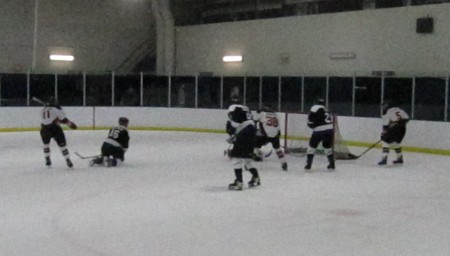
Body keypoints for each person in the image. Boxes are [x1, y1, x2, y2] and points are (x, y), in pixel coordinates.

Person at [226, 104, 260, 190]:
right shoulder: (247, 114)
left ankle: (239, 182)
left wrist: (231, 130)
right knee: (247, 160)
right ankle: (256, 177)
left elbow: (237, 126)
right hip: (251, 136)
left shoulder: (237, 110)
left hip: (244, 134)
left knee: (235, 158)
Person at [40, 97, 77, 167]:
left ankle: (47, 159)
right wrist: (70, 124)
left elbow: (47, 119)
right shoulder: (56, 109)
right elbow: (63, 119)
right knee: (62, 145)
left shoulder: (42, 110)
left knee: (46, 145)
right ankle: (68, 160)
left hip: (44, 129)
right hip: (54, 128)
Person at [252, 106, 288, 171]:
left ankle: (254, 158)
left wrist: (257, 112)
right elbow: (278, 126)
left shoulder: (262, 112)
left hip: (265, 134)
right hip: (275, 134)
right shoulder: (275, 114)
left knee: (252, 144)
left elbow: (254, 119)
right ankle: (284, 162)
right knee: (277, 149)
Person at [304, 99, 335, 171]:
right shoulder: (326, 109)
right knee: (327, 146)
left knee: (312, 147)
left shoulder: (315, 107)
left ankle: (308, 165)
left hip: (319, 130)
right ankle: (332, 164)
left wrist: (311, 125)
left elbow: (310, 120)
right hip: (330, 130)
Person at [378, 101, 409, 165]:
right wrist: (400, 123)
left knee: (385, 142)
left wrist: (384, 134)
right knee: (395, 142)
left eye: (383, 107)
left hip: (393, 130)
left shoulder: (387, 113)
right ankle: (400, 158)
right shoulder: (400, 110)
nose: (383, 108)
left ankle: (384, 159)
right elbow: (407, 118)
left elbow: (385, 126)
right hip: (403, 129)